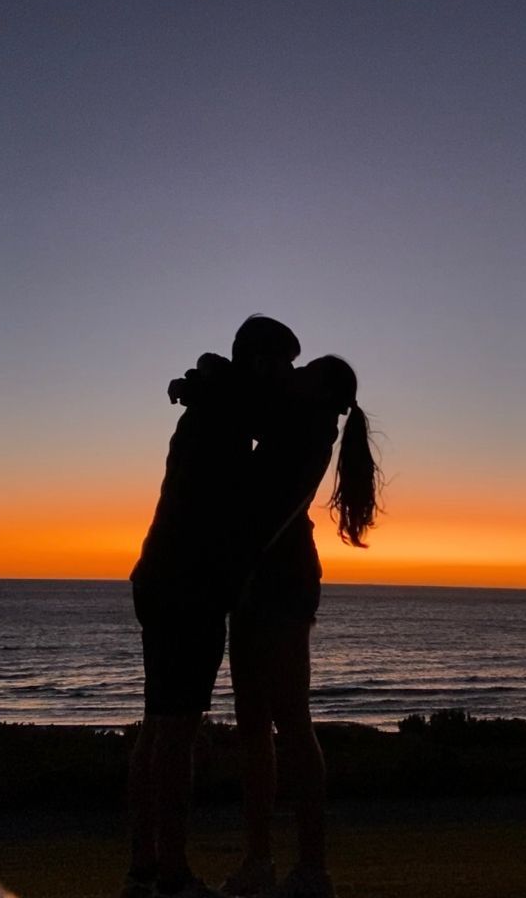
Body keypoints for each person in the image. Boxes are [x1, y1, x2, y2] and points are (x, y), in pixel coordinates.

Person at [121, 317, 301, 898]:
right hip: (186, 590)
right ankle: (171, 875)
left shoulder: (213, 407)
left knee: (157, 729)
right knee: (174, 733)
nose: (289, 377)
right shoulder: (225, 417)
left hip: (161, 580)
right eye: (283, 364)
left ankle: (143, 869)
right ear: (259, 363)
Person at [222, 356, 382, 898]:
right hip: (270, 578)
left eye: (304, 369)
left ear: (320, 388)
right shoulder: (308, 423)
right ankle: (265, 861)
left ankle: (307, 868)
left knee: (286, 722)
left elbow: (254, 413)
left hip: (278, 581)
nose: (291, 372)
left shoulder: (305, 424)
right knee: (260, 725)